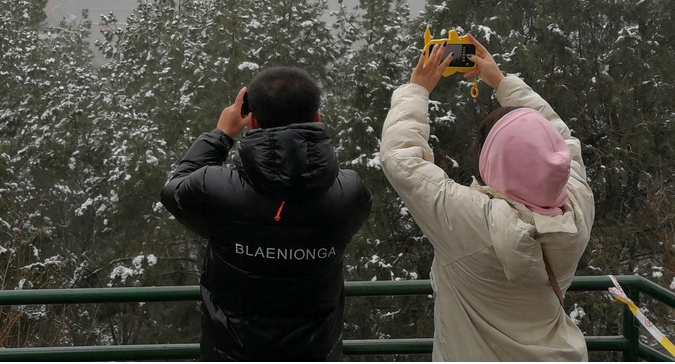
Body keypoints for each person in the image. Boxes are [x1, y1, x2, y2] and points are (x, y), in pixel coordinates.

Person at [380, 34, 595, 361]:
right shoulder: (578, 206)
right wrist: (502, 81)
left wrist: (417, 88)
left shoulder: (467, 218)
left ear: (489, 161)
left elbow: (400, 160)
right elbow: (561, 141)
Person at [160, 66, 372, 361]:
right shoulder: (350, 194)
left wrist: (221, 135)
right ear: (317, 118)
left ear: (252, 120)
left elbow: (174, 189)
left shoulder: (216, 189)